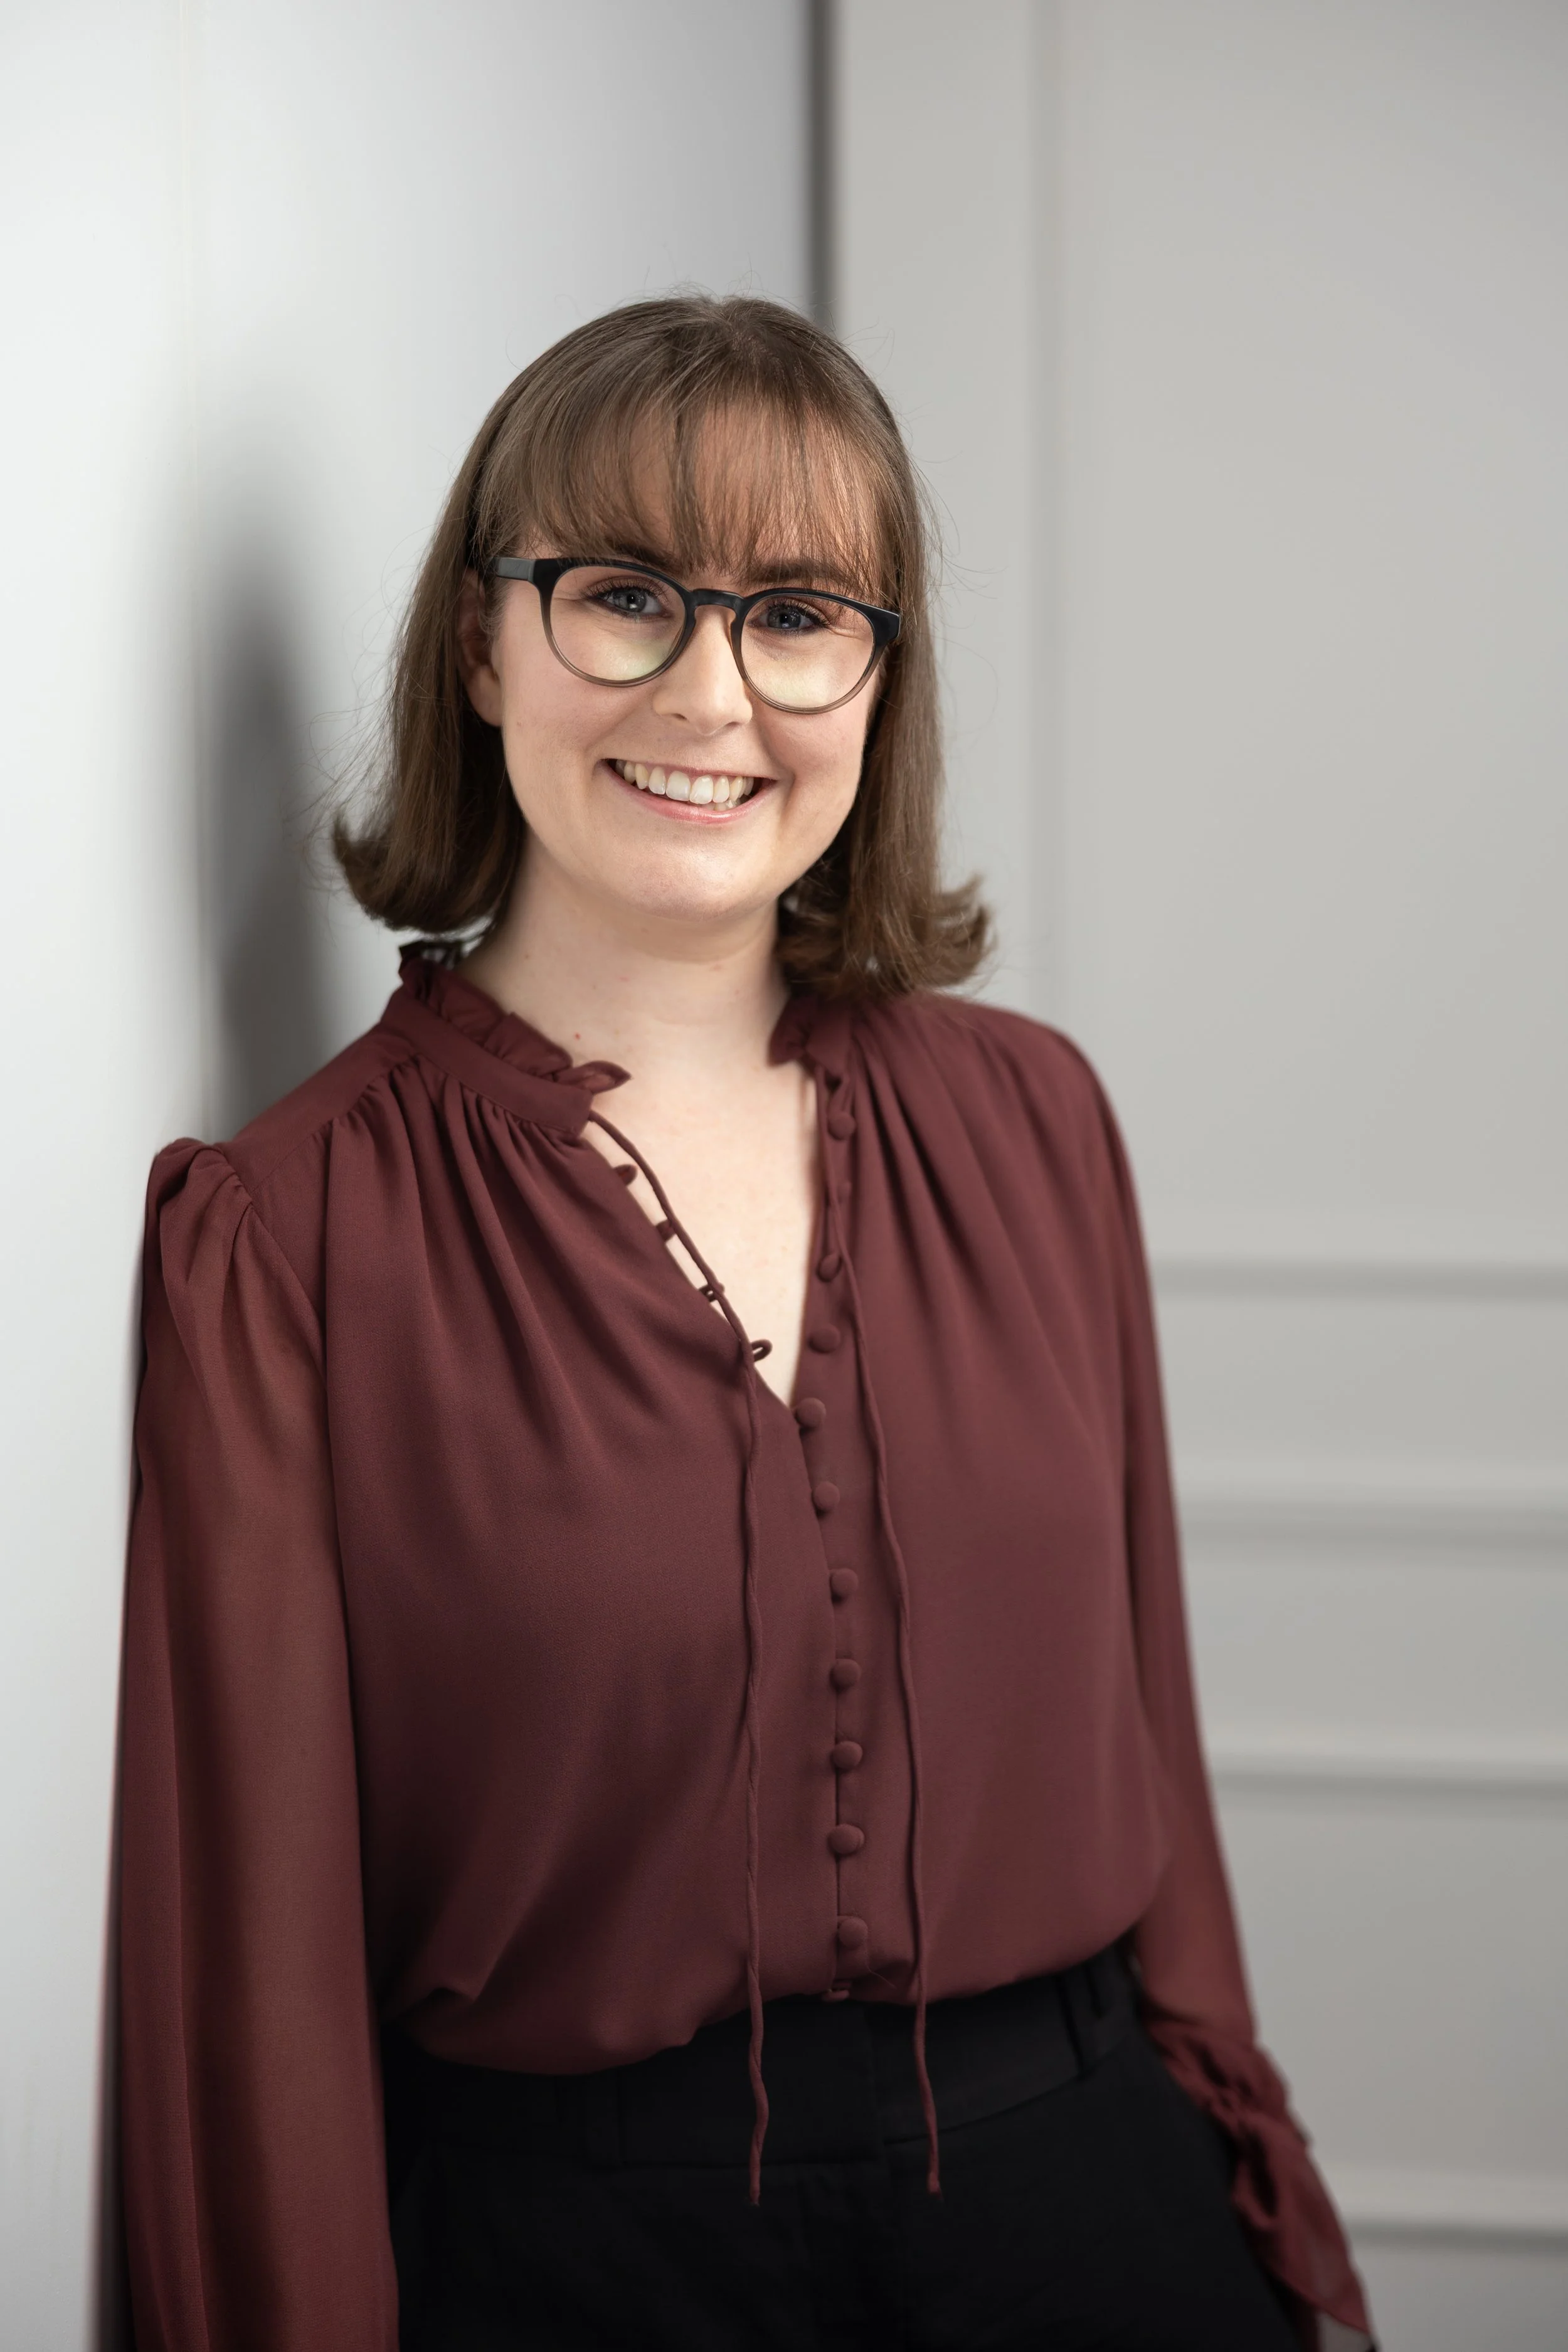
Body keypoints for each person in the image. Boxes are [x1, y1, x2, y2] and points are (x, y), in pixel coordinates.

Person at [119, 293, 1374, 2352]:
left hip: (1095, 2214)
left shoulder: (1032, 1117)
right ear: (481, 640)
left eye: (798, 615)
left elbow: (1157, 1762)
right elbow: (254, 1997)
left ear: (875, 683)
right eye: (624, 594)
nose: (713, 693)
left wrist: (1245, 2205)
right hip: (573, 2271)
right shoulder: (285, 1237)